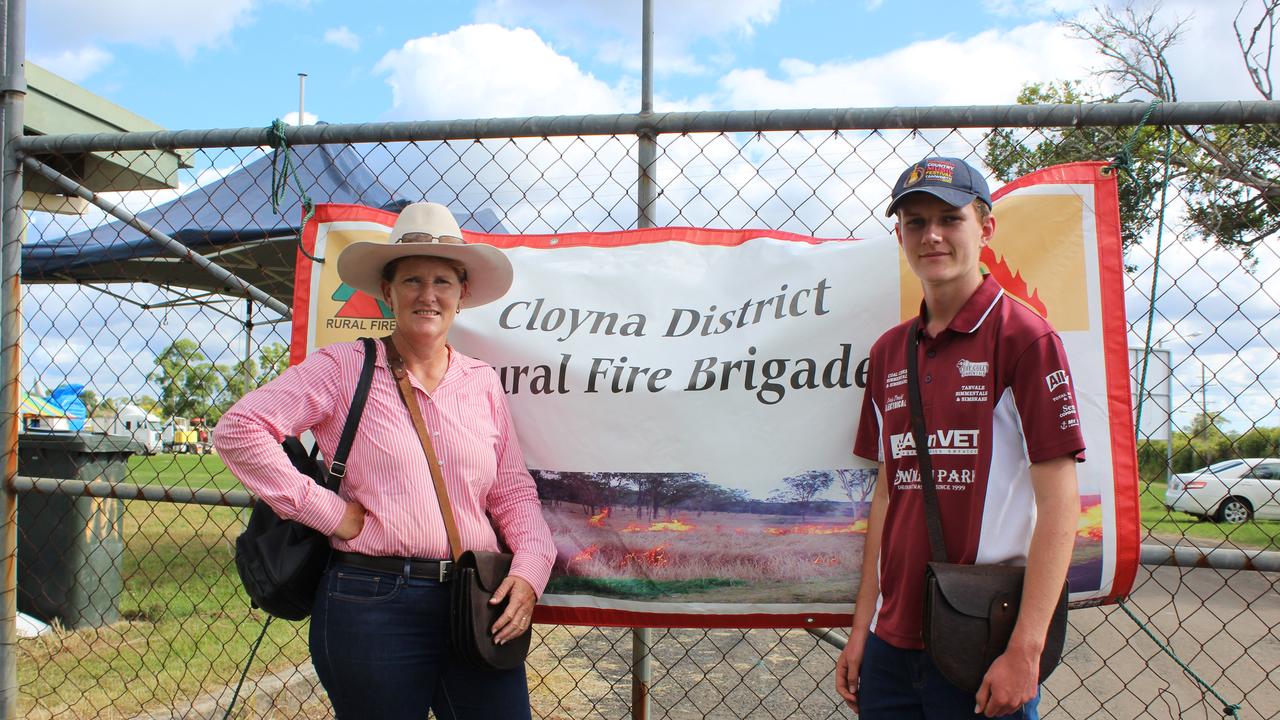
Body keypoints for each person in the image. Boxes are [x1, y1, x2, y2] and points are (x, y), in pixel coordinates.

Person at [215, 201, 556, 719]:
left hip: (475, 600)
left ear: (461, 295)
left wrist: (530, 570)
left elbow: (511, 492)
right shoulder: (343, 366)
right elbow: (239, 430)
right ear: (386, 292)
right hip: (372, 600)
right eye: (412, 279)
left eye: (442, 280)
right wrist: (326, 513)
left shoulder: (482, 382)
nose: (428, 294)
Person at [834, 157, 1083, 719]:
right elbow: (887, 495)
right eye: (915, 222)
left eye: (950, 218)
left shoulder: (1025, 338)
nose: (933, 236)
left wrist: (1026, 648)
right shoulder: (887, 351)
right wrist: (861, 630)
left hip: (980, 639)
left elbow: (1059, 501)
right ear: (900, 235)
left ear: (986, 227)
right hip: (889, 647)